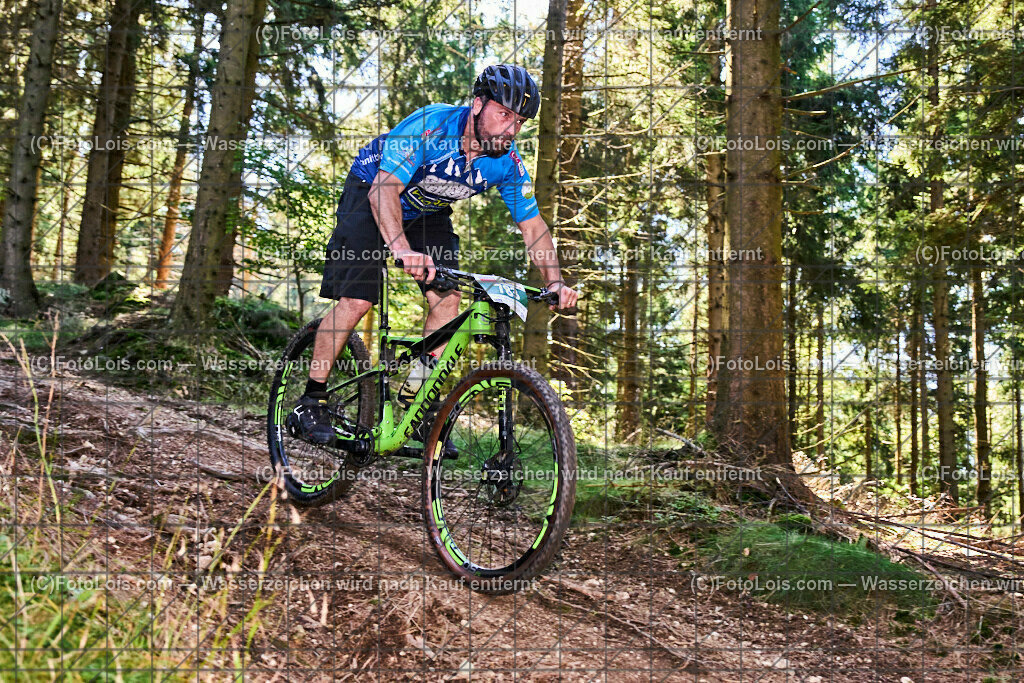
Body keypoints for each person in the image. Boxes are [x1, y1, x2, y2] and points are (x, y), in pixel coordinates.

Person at [291, 64, 579, 445]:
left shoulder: (506, 164)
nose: (511, 129)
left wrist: (554, 281)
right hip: (373, 189)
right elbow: (384, 189)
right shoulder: (430, 126)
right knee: (358, 299)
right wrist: (401, 250)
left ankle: (415, 401)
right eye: (504, 114)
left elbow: (533, 226)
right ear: (477, 105)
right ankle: (310, 399)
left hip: (426, 210)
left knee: (448, 300)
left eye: (520, 121)